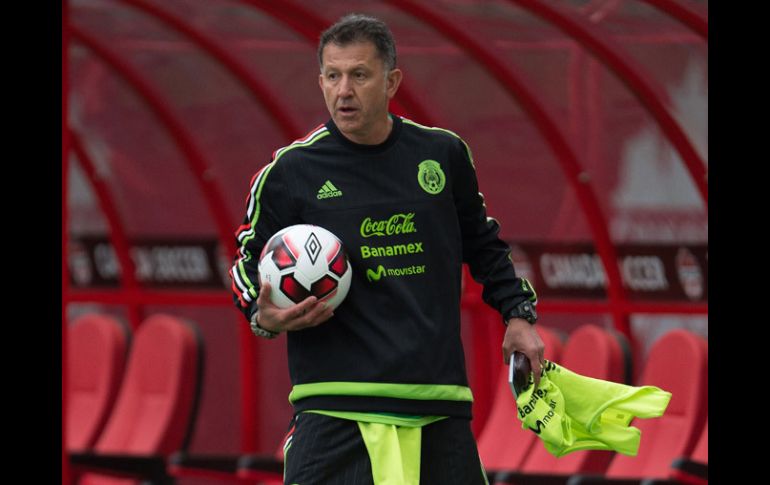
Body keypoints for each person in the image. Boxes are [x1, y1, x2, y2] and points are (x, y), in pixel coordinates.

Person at [230, 13, 544, 485]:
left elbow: (483, 243)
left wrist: (518, 315)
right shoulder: (291, 172)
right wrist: (263, 315)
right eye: (333, 77)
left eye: (359, 75)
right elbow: (245, 260)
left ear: (391, 81)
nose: (344, 90)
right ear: (320, 82)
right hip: (334, 407)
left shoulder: (441, 156)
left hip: (436, 401)